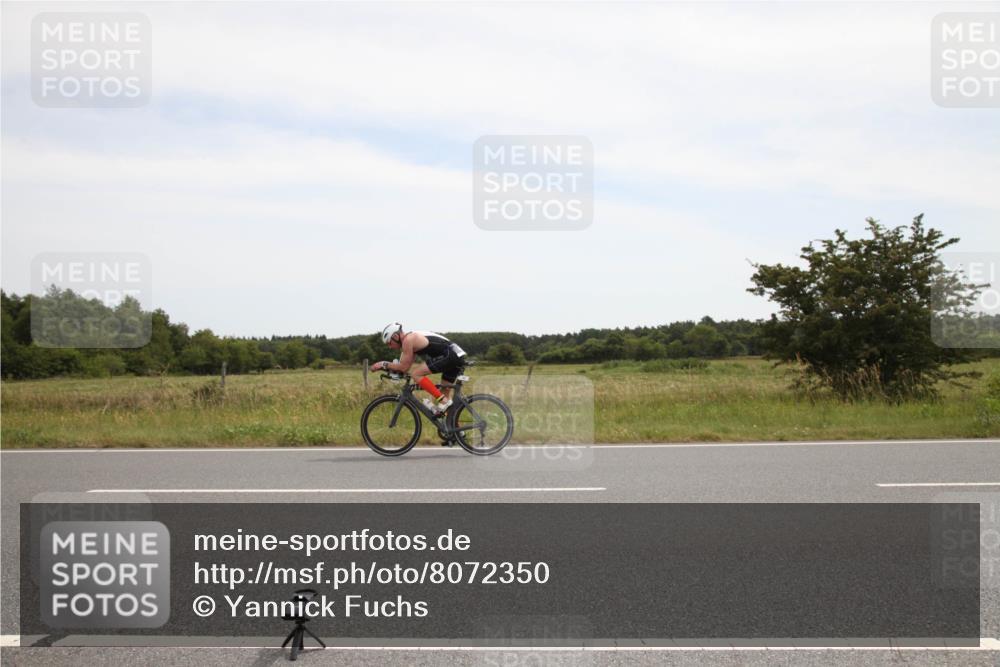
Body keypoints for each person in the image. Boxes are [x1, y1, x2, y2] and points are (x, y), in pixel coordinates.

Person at [369, 322, 467, 415]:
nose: (390, 347)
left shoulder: (408, 340)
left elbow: (403, 367)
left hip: (451, 355)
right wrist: (390, 369)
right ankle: (457, 431)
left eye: (389, 343)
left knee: (416, 374)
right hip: (455, 354)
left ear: (395, 337)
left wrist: (382, 364)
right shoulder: (410, 339)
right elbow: (404, 367)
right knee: (445, 400)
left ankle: (443, 401)